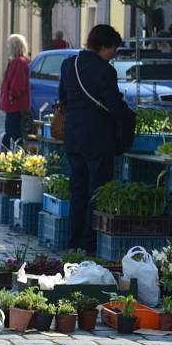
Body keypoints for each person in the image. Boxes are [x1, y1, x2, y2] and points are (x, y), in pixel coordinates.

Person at [60, 25, 131, 253]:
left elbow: (63, 99)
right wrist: (129, 116)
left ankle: (73, 241)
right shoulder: (105, 71)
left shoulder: (69, 64)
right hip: (98, 140)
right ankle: (89, 244)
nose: (114, 55)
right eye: (113, 49)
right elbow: (115, 107)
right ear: (103, 47)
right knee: (95, 191)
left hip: (73, 137)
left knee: (78, 191)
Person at [0, 35, 31, 149]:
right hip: (15, 104)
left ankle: (8, 156)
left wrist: (11, 96)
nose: (8, 48)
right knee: (12, 132)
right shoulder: (18, 61)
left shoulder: (19, 62)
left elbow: (17, 84)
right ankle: (10, 155)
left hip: (15, 105)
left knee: (12, 133)